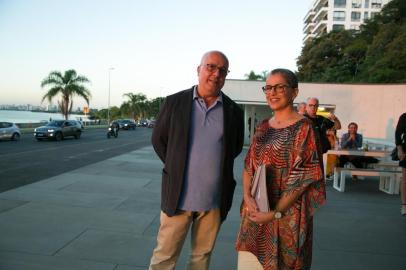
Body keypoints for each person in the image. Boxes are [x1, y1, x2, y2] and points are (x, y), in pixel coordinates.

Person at [149, 51, 244, 270]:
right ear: (198, 69)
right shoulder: (174, 103)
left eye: (222, 70)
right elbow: (159, 141)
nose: (216, 74)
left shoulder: (233, 111)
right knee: (164, 257)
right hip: (178, 199)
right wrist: (178, 165)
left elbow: (234, 148)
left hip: (213, 202)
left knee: (201, 259)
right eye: (211, 67)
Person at [236, 68, 326, 270]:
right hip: (256, 213)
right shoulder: (263, 127)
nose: (272, 92)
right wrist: (247, 197)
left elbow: (303, 178)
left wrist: (275, 212)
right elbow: (249, 165)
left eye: (279, 87)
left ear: (294, 92)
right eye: (268, 87)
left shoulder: (304, 128)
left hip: (286, 216)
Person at [395, 113, 406, 215]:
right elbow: (398, 133)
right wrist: (399, 150)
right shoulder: (404, 117)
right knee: (405, 178)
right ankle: (404, 205)